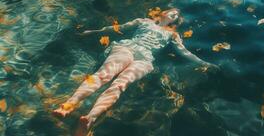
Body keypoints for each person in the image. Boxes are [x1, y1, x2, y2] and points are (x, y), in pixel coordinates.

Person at [52, 8, 216, 134]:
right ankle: (67, 106)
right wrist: (95, 32)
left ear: (176, 22)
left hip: (145, 59)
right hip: (128, 48)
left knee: (120, 85)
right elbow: (117, 27)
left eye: (176, 17)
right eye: (172, 13)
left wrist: (205, 63)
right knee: (103, 75)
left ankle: (89, 119)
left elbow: (184, 52)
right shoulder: (144, 21)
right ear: (164, 12)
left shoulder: (172, 34)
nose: (173, 16)